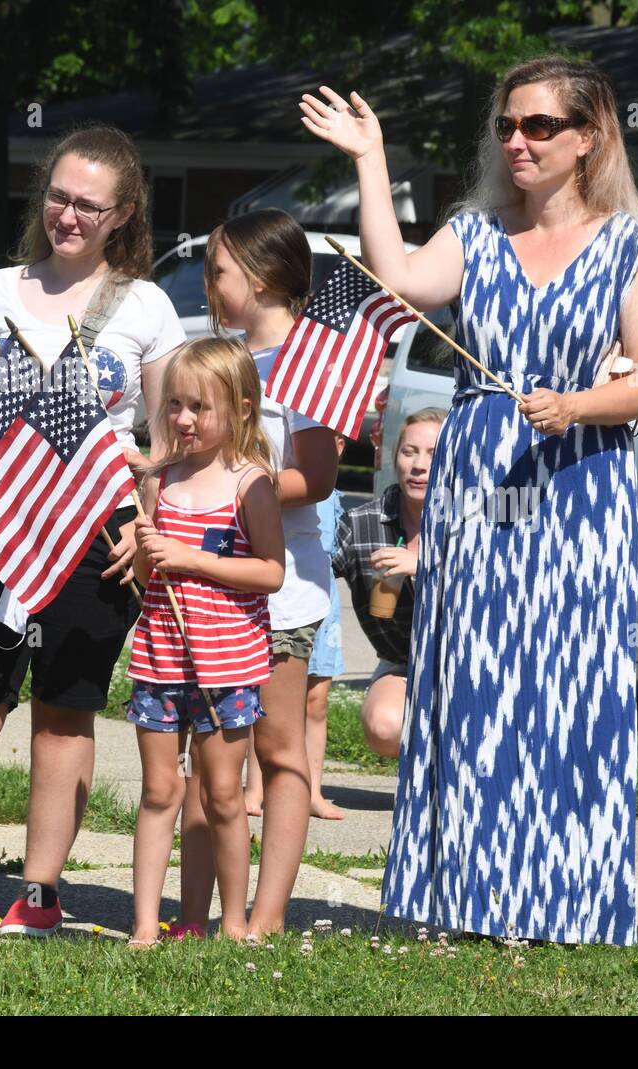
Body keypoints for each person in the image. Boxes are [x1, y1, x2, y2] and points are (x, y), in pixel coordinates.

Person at [302, 54, 638, 944]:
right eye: (508, 126)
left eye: (540, 126)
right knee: (473, 675)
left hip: (579, 487)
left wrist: (578, 404)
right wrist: (371, 158)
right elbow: (395, 279)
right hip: (480, 479)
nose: (517, 141)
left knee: (566, 683)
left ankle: (563, 901)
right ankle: (463, 898)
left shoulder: (627, 246)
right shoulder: (475, 233)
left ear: (588, 139)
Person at [0, 125, 186, 936]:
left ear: (122, 215)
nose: (67, 215)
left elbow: (168, 439)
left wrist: (146, 525)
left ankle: (39, 892)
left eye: (87, 205)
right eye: (58, 196)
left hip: (96, 532)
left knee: (65, 708)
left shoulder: (146, 306)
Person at [176, 209, 339, 940]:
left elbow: (323, 475)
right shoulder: (218, 356)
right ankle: (194, 913)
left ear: (265, 278)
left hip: (284, 588)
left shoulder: (312, 362)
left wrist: (245, 484)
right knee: (208, 754)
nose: (209, 284)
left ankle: (265, 916)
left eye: (219, 270)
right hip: (208, 588)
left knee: (276, 751)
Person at [125, 337, 285, 947]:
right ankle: (145, 925)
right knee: (159, 790)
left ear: (242, 410)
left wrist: (192, 559)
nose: (185, 420)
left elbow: (270, 572)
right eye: (175, 406)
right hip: (161, 660)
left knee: (222, 796)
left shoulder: (251, 485)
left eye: (201, 407)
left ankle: (235, 923)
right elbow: (147, 578)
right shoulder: (158, 483)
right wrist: (145, 553)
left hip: (228, 666)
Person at [332, 409, 444, 758]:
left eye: (433, 453)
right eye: (409, 451)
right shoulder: (363, 523)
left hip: (471, 663)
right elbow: (309, 571)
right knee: (385, 725)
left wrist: (428, 566)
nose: (419, 465)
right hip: (402, 660)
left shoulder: (476, 521)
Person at [304, 431, 348, 819]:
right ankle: (256, 788)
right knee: (269, 699)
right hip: (286, 595)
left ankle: (312, 789)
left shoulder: (334, 497)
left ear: (339, 447)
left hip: (325, 603)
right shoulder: (292, 483)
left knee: (316, 701)